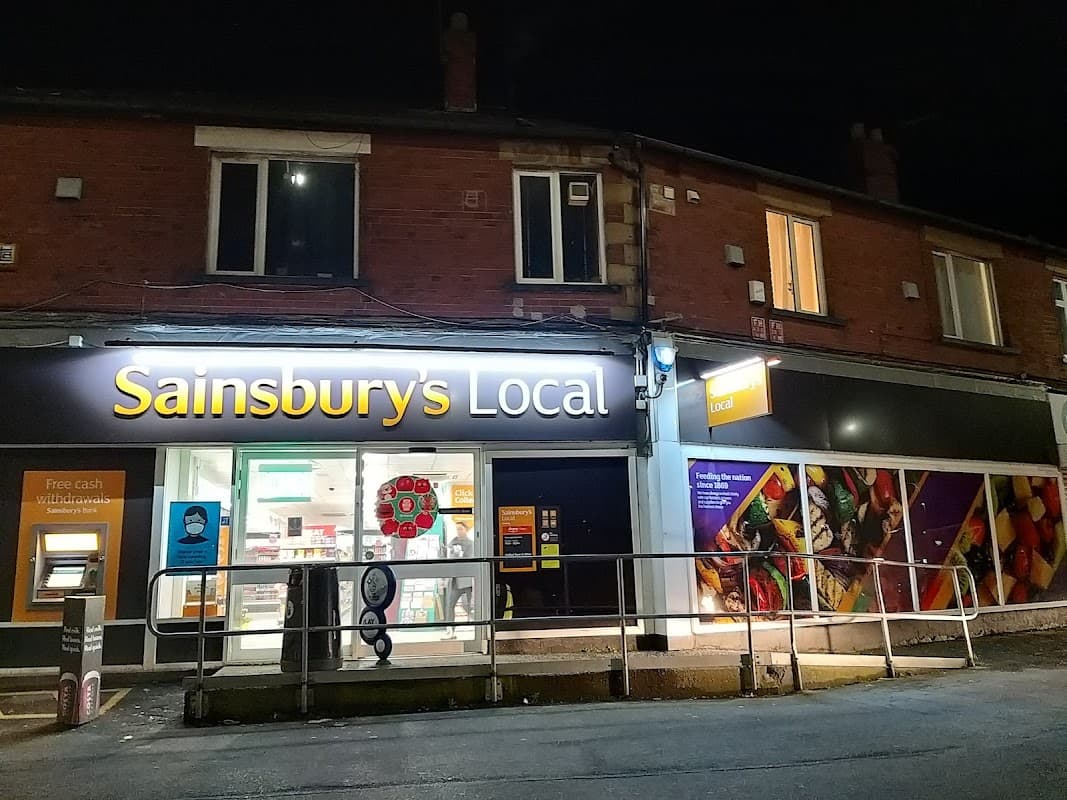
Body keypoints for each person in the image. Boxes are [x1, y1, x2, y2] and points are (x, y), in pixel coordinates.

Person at [443, 519, 474, 639]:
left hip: (466, 579)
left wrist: (459, 553)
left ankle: (476, 624)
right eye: (457, 529)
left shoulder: (470, 543)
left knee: (469, 605)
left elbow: (469, 558)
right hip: (454, 579)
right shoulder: (453, 541)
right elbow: (449, 556)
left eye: (461, 528)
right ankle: (450, 629)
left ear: (466, 530)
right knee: (450, 605)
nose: (459, 531)